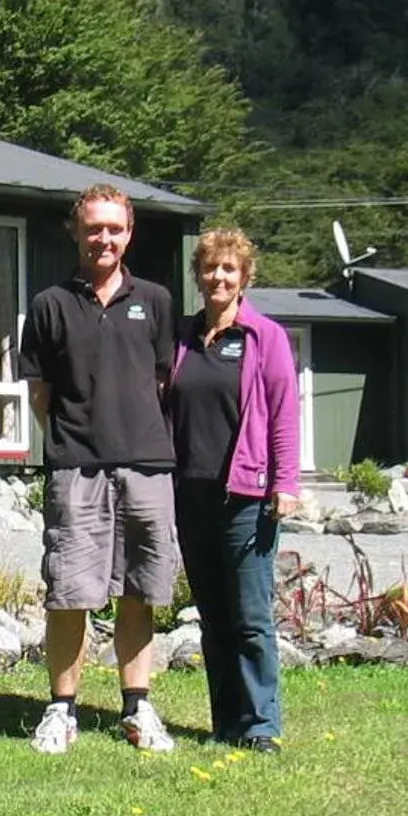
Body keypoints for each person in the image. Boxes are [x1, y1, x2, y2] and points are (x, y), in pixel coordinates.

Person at [18, 185, 179, 754]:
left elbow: (162, 383)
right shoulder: (48, 306)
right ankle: (61, 710)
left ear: (129, 233)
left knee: (141, 590)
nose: (103, 238)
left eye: (114, 228)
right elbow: (40, 394)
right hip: (76, 468)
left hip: (146, 467)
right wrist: (72, 439)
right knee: (69, 592)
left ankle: (138, 708)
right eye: (93, 228)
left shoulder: (156, 301)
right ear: (77, 232)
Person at [167, 228, 300, 752]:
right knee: (214, 618)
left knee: (250, 617)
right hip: (190, 494)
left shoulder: (265, 337)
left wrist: (285, 482)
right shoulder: (181, 337)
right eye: (210, 268)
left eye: (229, 269)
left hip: (247, 496)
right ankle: (224, 724)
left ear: (244, 277)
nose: (218, 277)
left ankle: (261, 726)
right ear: (198, 275)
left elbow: (285, 415)